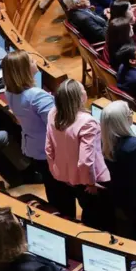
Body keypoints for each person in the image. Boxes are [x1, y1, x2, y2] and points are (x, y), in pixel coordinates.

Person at [2, 50, 65, 216]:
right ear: (24, 69)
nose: (34, 62)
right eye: (31, 61)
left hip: (34, 146)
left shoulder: (9, 91)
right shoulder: (37, 96)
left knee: (52, 186)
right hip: (50, 150)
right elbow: (56, 126)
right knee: (61, 190)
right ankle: (65, 219)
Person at [44, 80, 109, 227]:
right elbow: (86, 161)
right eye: (83, 91)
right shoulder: (87, 122)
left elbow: (48, 148)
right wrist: (91, 184)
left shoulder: (52, 113)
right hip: (84, 179)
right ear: (79, 98)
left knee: (68, 210)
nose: (86, 92)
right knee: (93, 211)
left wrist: (56, 171)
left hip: (62, 175)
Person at [100, 100, 136, 238]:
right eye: (130, 112)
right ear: (123, 120)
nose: (132, 114)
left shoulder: (105, 141)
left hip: (122, 197)